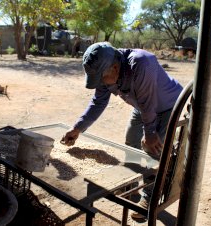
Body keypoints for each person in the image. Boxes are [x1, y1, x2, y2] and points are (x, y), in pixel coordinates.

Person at [60, 42, 183, 220]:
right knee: (131, 141)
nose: (101, 83)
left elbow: (148, 102)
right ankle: (131, 184)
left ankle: (150, 197)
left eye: (102, 79)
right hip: (142, 105)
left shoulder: (142, 63)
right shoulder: (106, 70)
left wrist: (150, 134)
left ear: (116, 68)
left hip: (167, 106)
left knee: (153, 150)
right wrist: (77, 128)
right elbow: (98, 102)